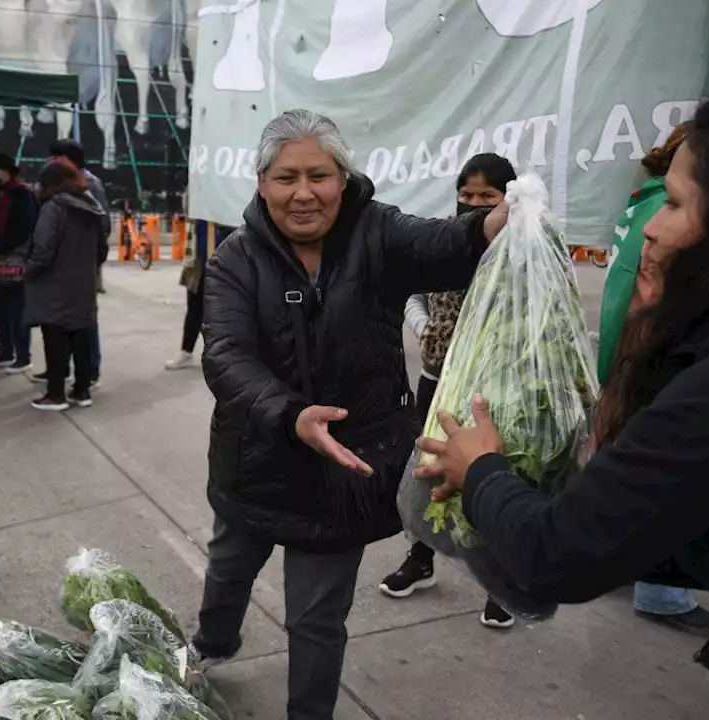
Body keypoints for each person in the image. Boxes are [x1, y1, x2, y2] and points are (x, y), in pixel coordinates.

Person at [418, 84, 709, 719]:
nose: (652, 229)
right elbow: (699, 520)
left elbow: (560, 556)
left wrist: (483, 473)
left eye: (677, 203)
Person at [194, 109, 505, 719]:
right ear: (261, 183)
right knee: (228, 572)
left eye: (320, 175)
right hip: (255, 459)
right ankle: (211, 646)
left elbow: (442, 242)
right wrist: (291, 414)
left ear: (344, 177)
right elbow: (226, 356)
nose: (303, 193)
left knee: (316, 618)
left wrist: (487, 226)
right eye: (286, 178)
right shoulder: (234, 259)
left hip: (348, 468)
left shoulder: (379, 232)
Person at [377, 153, 517, 630]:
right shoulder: (444, 242)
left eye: (487, 197)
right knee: (426, 473)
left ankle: (500, 584)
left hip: (488, 395)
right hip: (436, 381)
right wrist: (422, 324)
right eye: (467, 196)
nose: (475, 205)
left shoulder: (518, 252)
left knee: (486, 478)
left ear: (507, 200)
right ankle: (420, 560)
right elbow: (413, 292)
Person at [595, 122, 709, 637]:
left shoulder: (641, 203)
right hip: (645, 362)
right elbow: (638, 297)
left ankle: (626, 562)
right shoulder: (660, 213)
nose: (656, 229)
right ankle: (660, 589)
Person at [25, 158, 108, 411]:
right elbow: (102, 248)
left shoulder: (55, 208)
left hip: (55, 285)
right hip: (83, 283)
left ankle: (55, 394)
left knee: (55, 340)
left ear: (54, 183)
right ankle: (82, 391)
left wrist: (28, 271)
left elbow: (43, 249)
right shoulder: (92, 205)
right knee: (81, 337)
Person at [0, 152, 37, 374]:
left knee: (17, 309)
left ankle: (23, 356)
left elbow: (23, 229)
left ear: (6, 170)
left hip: (16, 258)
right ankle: (5, 352)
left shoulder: (23, 195)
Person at [165, 212, 233, 370]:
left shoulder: (226, 208)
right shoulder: (200, 206)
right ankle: (186, 352)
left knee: (222, 313)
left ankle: (223, 356)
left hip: (223, 265)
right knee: (194, 309)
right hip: (198, 265)